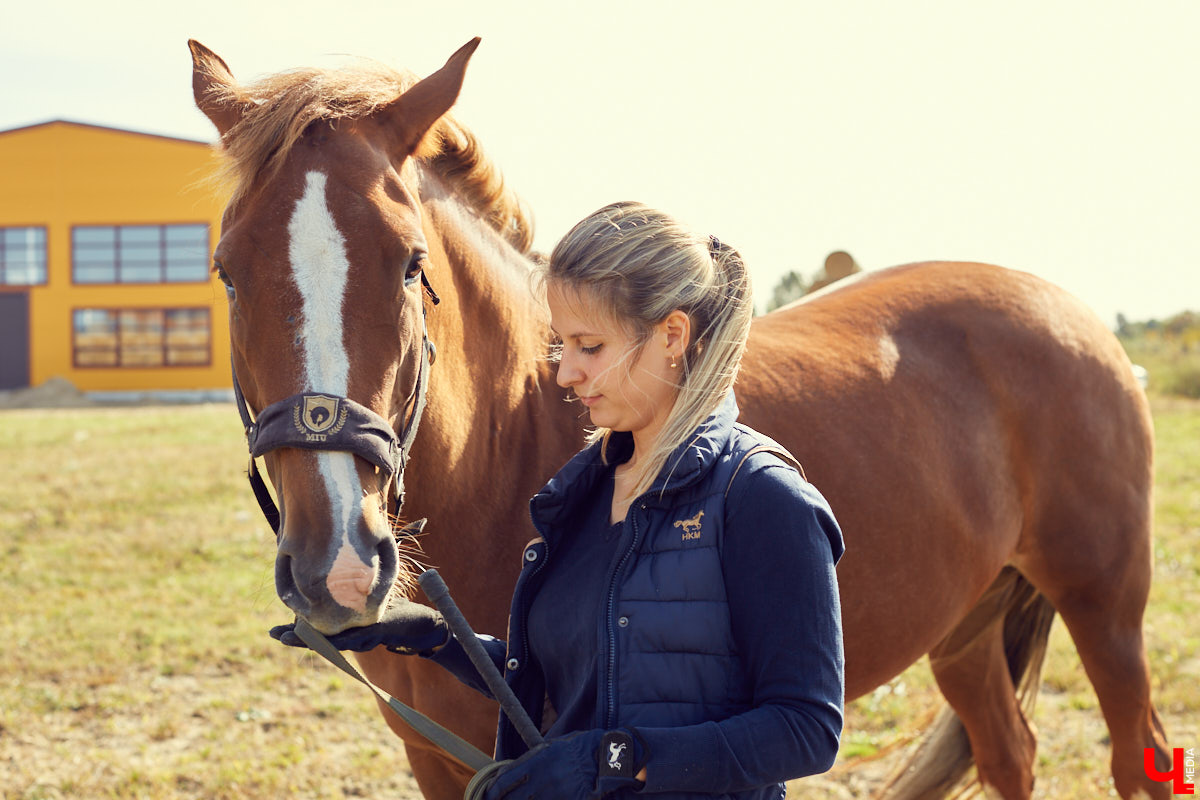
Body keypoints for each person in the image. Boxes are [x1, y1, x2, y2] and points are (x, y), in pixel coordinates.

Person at [274, 201, 845, 799]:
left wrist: (614, 759)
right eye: (562, 345)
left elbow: (806, 729)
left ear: (672, 335)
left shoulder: (762, 498)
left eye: (589, 346)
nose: (566, 372)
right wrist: (431, 637)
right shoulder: (584, 492)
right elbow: (565, 676)